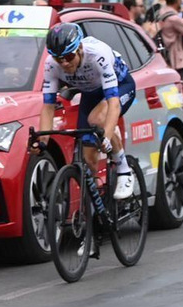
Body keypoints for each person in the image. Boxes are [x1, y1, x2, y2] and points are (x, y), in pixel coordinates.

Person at [35, 21, 138, 204]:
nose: (64, 63)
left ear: (80, 48)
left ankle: (124, 170)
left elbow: (113, 103)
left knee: (98, 119)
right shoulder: (51, 64)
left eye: (68, 56)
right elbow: (48, 106)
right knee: (89, 160)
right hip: (91, 93)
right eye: (59, 59)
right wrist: (42, 141)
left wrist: (106, 135)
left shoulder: (98, 55)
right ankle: (99, 209)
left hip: (120, 87)